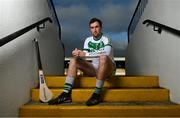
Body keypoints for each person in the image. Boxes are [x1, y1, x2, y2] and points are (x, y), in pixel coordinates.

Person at [48, 18, 115, 106]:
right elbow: (85, 58)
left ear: (101, 28)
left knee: (103, 57)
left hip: (108, 69)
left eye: (96, 27)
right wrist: (78, 54)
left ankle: (96, 94)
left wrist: (85, 53)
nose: (94, 30)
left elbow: (105, 53)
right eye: (92, 27)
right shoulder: (88, 40)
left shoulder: (106, 39)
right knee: (73, 60)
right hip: (94, 69)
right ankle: (66, 94)